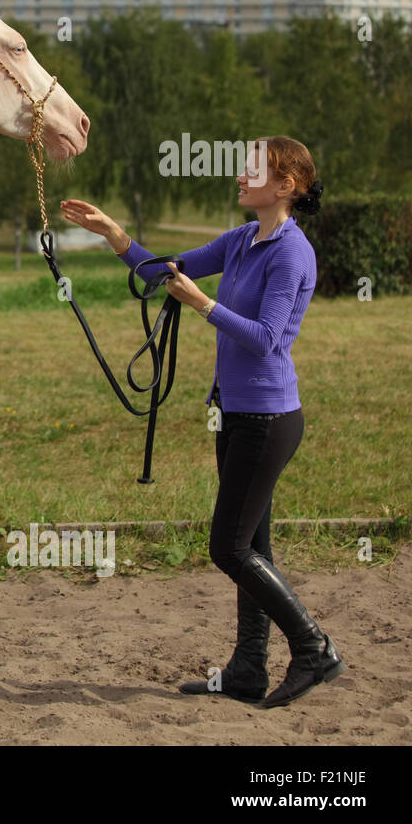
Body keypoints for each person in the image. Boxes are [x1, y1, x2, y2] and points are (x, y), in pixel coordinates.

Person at [60, 136, 342, 708]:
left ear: (285, 185)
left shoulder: (291, 253)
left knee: (229, 548)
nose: (240, 175)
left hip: (269, 418)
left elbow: (268, 340)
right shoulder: (243, 239)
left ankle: (313, 647)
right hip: (236, 414)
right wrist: (116, 236)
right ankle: (247, 668)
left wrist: (203, 305)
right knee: (253, 544)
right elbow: (169, 269)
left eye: (253, 169)